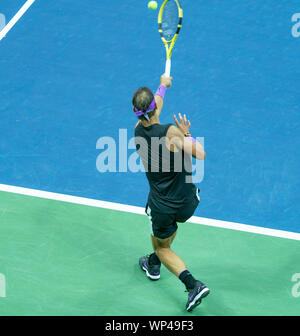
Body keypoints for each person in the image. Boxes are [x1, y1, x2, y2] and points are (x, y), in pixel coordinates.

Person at [133, 74, 209, 312]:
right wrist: (187, 135)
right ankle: (153, 264)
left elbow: (152, 107)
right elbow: (201, 154)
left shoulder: (136, 130)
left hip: (163, 206)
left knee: (162, 246)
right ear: (155, 110)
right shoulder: (172, 133)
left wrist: (162, 86)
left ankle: (192, 284)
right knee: (165, 236)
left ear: (136, 112)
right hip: (188, 201)